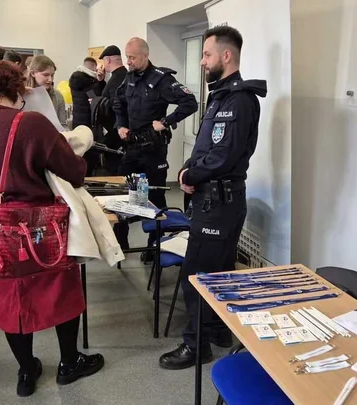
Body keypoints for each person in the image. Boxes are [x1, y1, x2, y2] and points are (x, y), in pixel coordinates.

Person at [0, 61, 105, 397]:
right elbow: (74, 171)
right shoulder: (31, 122)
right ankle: (69, 363)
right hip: (37, 221)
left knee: (9, 294)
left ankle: (26, 371)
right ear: (16, 88)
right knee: (59, 286)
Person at [159, 26, 267, 370]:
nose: (202, 61)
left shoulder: (239, 99)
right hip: (215, 199)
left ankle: (196, 345)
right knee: (219, 271)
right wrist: (187, 170)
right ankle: (218, 330)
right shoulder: (221, 96)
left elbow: (223, 155)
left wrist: (189, 176)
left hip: (219, 202)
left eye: (207, 54)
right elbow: (206, 146)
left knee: (197, 274)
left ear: (226, 55)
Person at [113, 37, 198, 250]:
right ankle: (120, 243)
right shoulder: (129, 78)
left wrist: (166, 122)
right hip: (132, 147)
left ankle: (155, 246)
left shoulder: (161, 79)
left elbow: (190, 102)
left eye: (132, 57)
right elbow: (118, 102)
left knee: (156, 196)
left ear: (145, 55)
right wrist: (121, 125)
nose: (128, 61)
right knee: (122, 194)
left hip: (154, 149)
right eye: (127, 57)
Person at [70, 58, 106, 176]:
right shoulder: (87, 82)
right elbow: (96, 98)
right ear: (93, 68)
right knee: (89, 155)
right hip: (88, 124)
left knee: (82, 153)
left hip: (79, 123)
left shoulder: (77, 79)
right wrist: (100, 81)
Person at [96, 45, 127, 174]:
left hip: (116, 131)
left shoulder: (117, 78)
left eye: (104, 61)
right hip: (117, 129)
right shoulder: (121, 75)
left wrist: (98, 103)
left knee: (114, 167)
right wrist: (101, 81)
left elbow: (116, 104)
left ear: (108, 60)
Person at [25, 55, 67, 125]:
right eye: (45, 75)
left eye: (52, 75)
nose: (50, 80)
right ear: (33, 73)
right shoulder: (22, 95)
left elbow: (62, 124)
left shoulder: (57, 96)